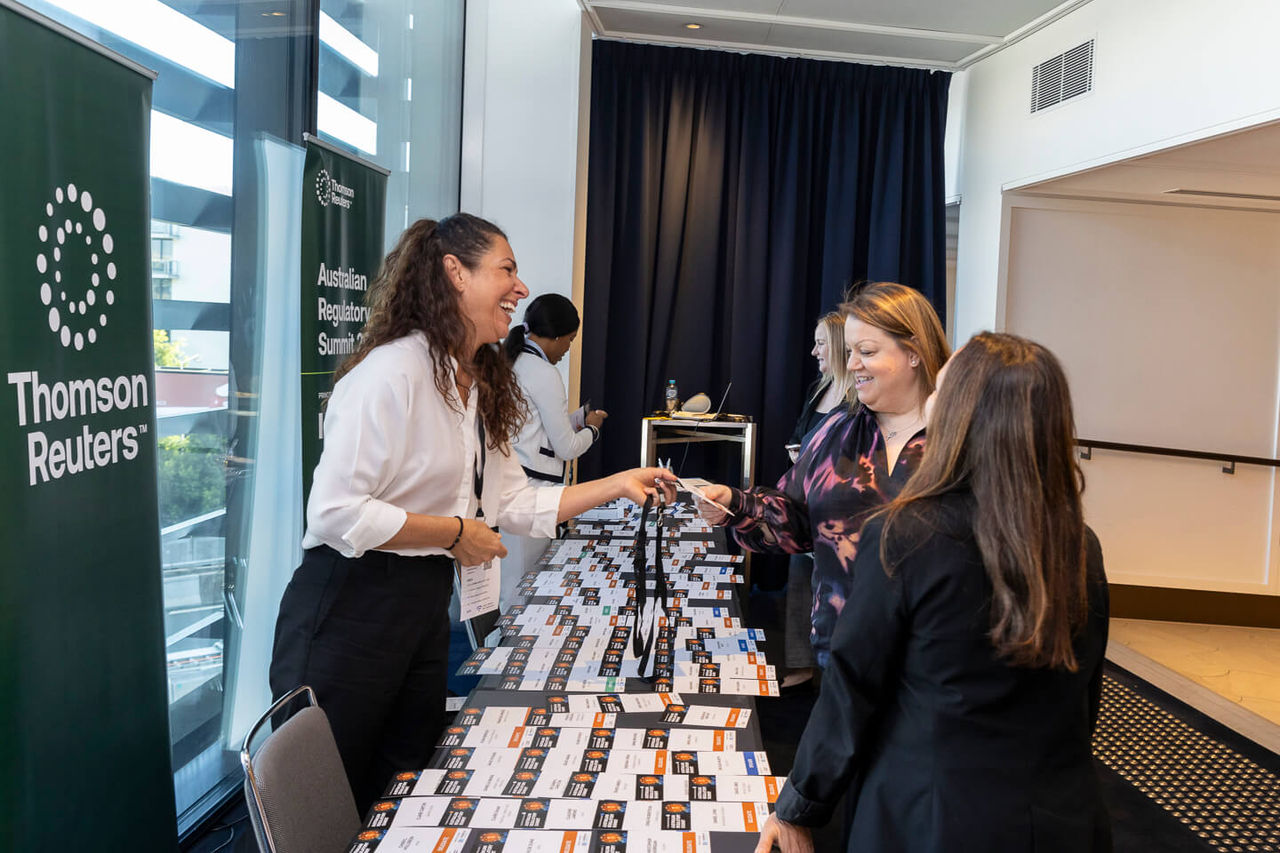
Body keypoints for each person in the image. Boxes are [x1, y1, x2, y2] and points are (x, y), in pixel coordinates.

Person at [269, 214, 675, 812]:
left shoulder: (478, 382)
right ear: (454, 274)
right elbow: (336, 513)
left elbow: (514, 500)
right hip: (350, 610)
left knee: (404, 785)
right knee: (330, 802)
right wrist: (457, 532)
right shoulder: (391, 372)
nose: (520, 287)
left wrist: (615, 484)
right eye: (506, 270)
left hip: (423, 603)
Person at [754, 332, 1112, 853]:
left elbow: (854, 690)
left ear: (965, 415)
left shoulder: (908, 534)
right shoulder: (1080, 543)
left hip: (929, 814)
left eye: (941, 392)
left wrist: (800, 806)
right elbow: (1083, 698)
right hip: (1061, 815)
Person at [697, 282, 950, 669]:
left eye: (866, 352)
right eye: (849, 353)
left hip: (934, 665)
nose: (851, 366)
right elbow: (795, 519)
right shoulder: (838, 432)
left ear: (913, 352)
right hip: (841, 656)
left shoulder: (960, 441)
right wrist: (736, 503)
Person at [499, 293, 607, 605]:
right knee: (520, 592)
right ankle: (506, 651)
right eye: (570, 340)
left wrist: (576, 420)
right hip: (532, 492)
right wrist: (593, 430)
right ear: (557, 336)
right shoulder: (544, 372)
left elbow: (533, 426)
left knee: (511, 587)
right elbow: (567, 447)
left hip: (511, 486)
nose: (568, 349)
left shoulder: (513, 360)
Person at [780, 311, 855, 688]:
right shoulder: (819, 389)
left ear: (841, 347)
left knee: (831, 590)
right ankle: (800, 663)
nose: (814, 351)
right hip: (805, 504)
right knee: (799, 582)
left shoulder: (859, 397)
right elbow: (801, 433)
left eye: (822, 343)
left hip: (839, 513)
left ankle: (831, 671)